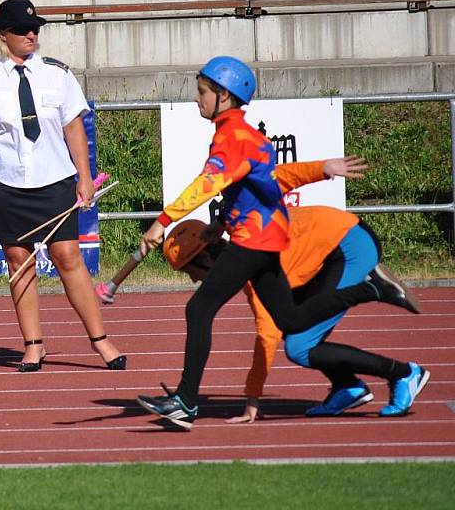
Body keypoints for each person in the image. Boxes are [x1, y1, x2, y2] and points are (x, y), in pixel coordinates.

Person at [135, 56, 418, 429]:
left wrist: (162, 221)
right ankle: (371, 290)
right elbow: (265, 186)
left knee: (199, 309)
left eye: (202, 93)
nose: (196, 100)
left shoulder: (232, 138)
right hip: (264, 238)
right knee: (290, 319)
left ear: (223, 95)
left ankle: (185, 403)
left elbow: (208, 184)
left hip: (253, 241)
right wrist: (222, 222)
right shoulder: (244, 135)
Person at [162, 159, 427, 424]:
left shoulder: (248, 259)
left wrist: (252, 399)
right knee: (297, 324)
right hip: (335, 243)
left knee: (300, 347)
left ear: (204, 257)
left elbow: (267, 333)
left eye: (189, 271)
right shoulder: (242, 240)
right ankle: (347, 386)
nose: (195, 280)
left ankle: (402, 372)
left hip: (349, 246)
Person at [0, 0, 125, 372]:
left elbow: (73, 128)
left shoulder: (58, 74)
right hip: (4, 181)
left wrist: (84, 176)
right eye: (21, 30)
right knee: (18, 260)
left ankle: (101, 340)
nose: (31, 34)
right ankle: (33, 345)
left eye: (35, 29)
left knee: (68, 257)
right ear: (3, 34)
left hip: (54, 178)